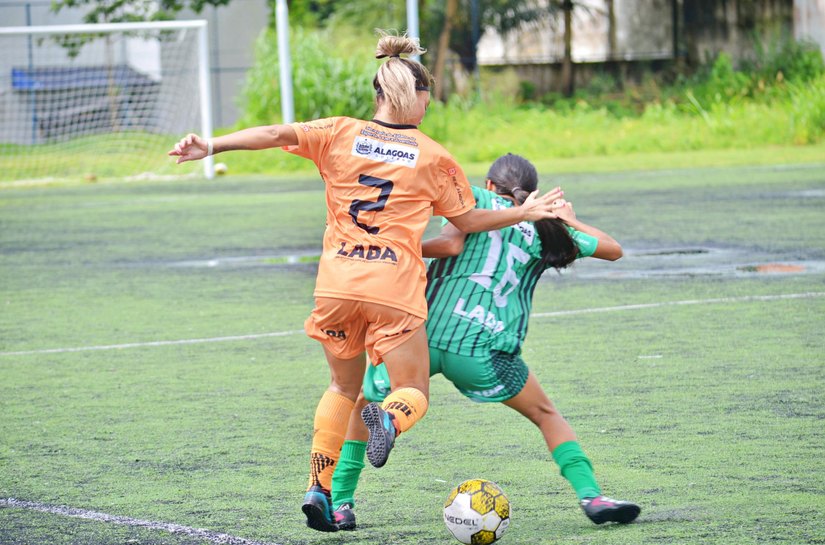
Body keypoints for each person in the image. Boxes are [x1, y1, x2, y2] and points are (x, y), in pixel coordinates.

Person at [168, 35, 563, 533]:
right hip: (392, 290)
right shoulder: (433, 157)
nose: (428, 105)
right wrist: (523, 211)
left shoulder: (337, 132)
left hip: (335, 285)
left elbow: (272, 132)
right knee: (411, 389)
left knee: (341, 386)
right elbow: (466, 220)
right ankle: (389, 420)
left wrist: (212, 145)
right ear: (413, 96)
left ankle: (319, 489)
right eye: (428, 97)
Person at [328, 153, 640, 531]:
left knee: (367, 402)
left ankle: (343, 499)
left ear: (491, 185)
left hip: (421, 336)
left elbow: (450, 245)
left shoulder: (473, 197)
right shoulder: (547, 228)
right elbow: (613, 249)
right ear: (532, 193)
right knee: (546, 415)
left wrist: (397, 247)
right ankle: (592, 496)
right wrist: (566, 218)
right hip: (485, 349)